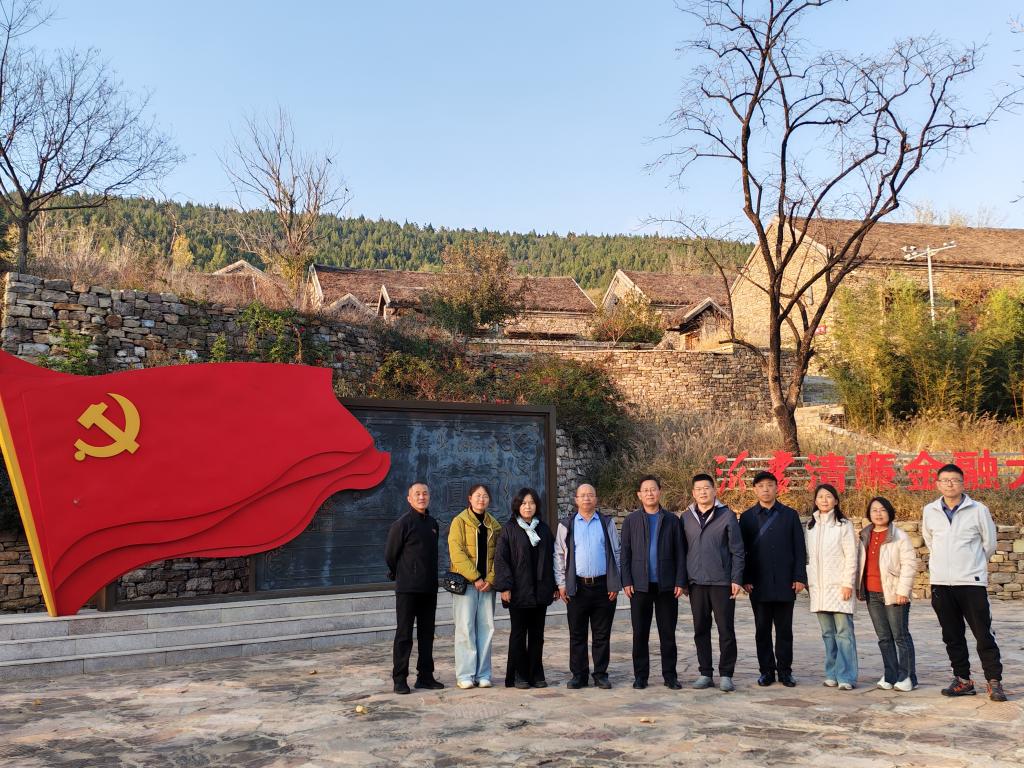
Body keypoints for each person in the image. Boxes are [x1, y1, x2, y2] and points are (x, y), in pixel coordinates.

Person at [922, 464, 1006, 702]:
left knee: (983, 634)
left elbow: (989, 544)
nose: (950, 484)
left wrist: (972, 564)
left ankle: (994, 681)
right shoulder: (930, 510)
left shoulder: (978, 509)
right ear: (938, 484)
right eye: (945, 480)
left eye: (955, 480)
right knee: (952, 635)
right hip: (941, 583)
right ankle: (963, 680)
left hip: (971, 582)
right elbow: (930, 541)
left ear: (963, 483)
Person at [739, 470, 806, 687]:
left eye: (769, 485)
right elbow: (742, 551)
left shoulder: (790, 515)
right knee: (762, 630)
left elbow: (799, 548)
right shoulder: (747, 517)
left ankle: (785, 671)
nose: (765, 489)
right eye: (760, 486)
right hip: (759, 583)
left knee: (785, 630)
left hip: (786, 582)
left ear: (777, 488)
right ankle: (766, 671)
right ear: (754, 490)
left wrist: (799, 577)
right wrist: (745, 578)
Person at [620, 474, 686, 690]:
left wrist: (680, 581)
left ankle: (670, 676)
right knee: (640, 633)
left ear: (660, 492)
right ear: (639, 495)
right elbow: (625, 553)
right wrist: (626, 580)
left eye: (653, 489)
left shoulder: (672, 520)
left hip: (667, 586)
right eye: (645, 490)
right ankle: (641, 676)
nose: (649, 493)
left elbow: (680, 553)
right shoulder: (631, 521)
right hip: (640, 586)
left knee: (668, 633)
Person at [554, 483, 622, 690]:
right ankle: (579, 675)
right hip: (577, 587)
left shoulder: (606, 523)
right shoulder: (566, 525)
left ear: (596, 499)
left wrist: (615, 582)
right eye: (582, 495)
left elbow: (616, 552)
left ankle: (600, 674)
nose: (586, 498)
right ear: (576, 500)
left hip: (603, 586)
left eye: (590, 495)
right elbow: (559, 555)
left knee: (602, 634)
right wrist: (562, 584)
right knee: (577, 634)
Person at [681, 473, 744, 692]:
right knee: (700, 629)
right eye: (698, 489)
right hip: (696, 583)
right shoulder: (686, 517)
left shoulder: (727, 515)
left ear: (714, 490)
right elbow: (682, 551)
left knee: (726, 629)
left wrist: (736, 578)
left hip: (721, 582)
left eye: (706, 488)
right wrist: (683, 581)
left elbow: (737, 550)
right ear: (693, 493)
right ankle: (705, 673)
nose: (703, 492)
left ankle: (726, 674)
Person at [493, 487, 556, 689]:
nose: (528, 507)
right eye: (524, 503)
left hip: (540, 591)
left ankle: (536, 674)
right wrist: (505, 587)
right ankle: (519, 675)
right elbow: (501, 560)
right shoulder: (509, 529)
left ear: (537, 506)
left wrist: (555, 585)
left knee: (537, 635)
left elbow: (553, 559)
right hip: (518, 591)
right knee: (518, 635)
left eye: (531, 503)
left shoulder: (544, 529)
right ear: (517, 506)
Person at [384, 481, 444, 694]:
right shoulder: (402, 524)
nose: (421, 497)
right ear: (409, 499)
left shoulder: (433, 524)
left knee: (427, 635)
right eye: (417, 494)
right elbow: (390, 555)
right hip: (408, 589)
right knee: (404, 635)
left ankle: (425, 676)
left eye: (425, 493)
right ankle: (400, 679)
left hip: (429, 589)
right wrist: (403, 573)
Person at [857, 496, 918, 692]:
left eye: (882, 510)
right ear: (869, 514)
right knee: (884, 637)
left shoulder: (899, 536)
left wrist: (903, 591)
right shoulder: (864, 535)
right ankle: (890, 674)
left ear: (890, 512)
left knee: (900, 636)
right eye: (874, 510)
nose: (878, 513)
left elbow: (909, 564)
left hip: (894, 593)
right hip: (872, 593)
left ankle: (907, 677)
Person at [448, 483, 502, 689]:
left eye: (485, 496)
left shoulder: (494, 525)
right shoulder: (459, 522)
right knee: (465, 628)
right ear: (470, 498)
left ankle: (483, 674)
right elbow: (457, 553)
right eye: (477, 496)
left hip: (488, 586)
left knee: (486, 628)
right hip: (467, 585)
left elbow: (500, 555)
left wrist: (490, 579)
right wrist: (476, 577)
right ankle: (465, 674)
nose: (481, 499)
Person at [805, 483, 859, 690]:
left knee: (844, 633)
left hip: (839, 587)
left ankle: (846, 676)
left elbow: (851, 556)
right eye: (820, 497)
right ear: (815, 501)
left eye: (829, 496)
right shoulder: (811, 526)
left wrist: (847, 584)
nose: (824, 500)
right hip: (819, 588)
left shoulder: (843, 525)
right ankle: (832, 673)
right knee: (827, 634)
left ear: (836, 500)